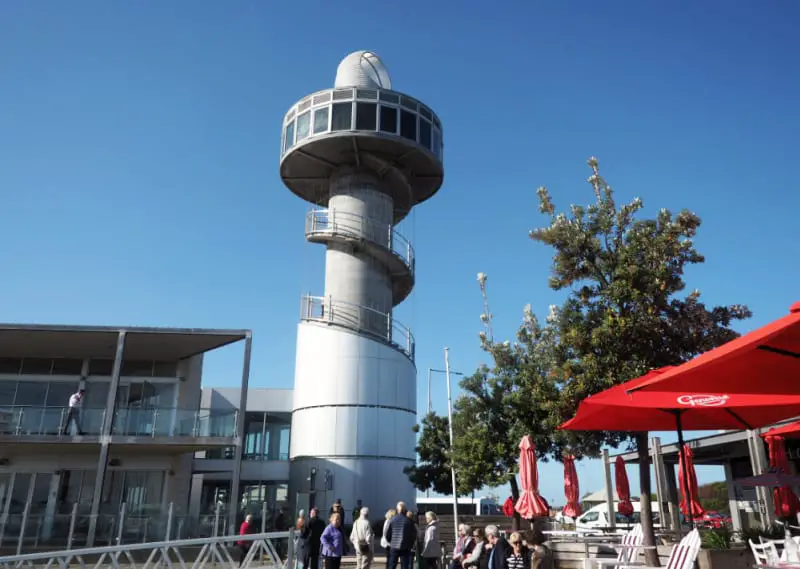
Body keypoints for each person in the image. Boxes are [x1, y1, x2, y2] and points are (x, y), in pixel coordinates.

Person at [383, 501, 417, 569]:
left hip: (394, 546)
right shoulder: (408, 521)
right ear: (404, 510)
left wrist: (390, 542)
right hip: (405, 547)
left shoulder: (392, 520)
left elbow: (387, 534)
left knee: (392, 566)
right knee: (405, 566)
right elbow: (413, 535)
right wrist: (410, 544)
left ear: (397, 509)